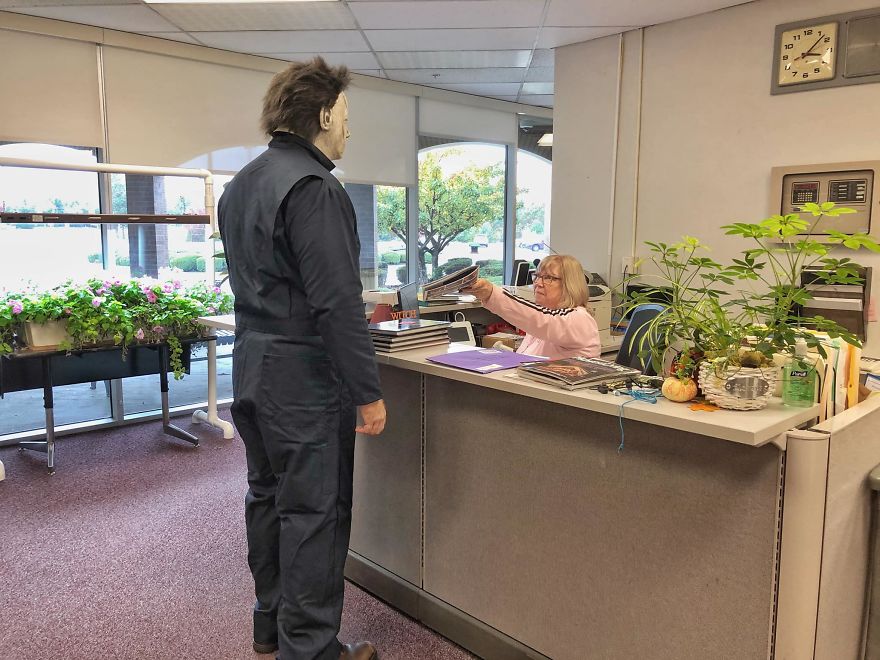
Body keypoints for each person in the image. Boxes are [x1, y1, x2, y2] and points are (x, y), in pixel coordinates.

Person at [218, 57, 385, 660]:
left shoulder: (242, 184)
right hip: (302, 379)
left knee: (266, 496)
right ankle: (311, 649)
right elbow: (337, 302)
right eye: (344, 116)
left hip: (252, 365)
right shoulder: (314, 188)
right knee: (314, 511)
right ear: (320, 115)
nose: (347, 129)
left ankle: (271, 627)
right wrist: (367, 390)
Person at [464, 254, 600, 359]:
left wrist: (491, 293)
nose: (538, 283)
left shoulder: (579, 318)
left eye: (548, 278)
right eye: (537, 276)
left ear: (570, 284)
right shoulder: (546, 318)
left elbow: (540, 319)